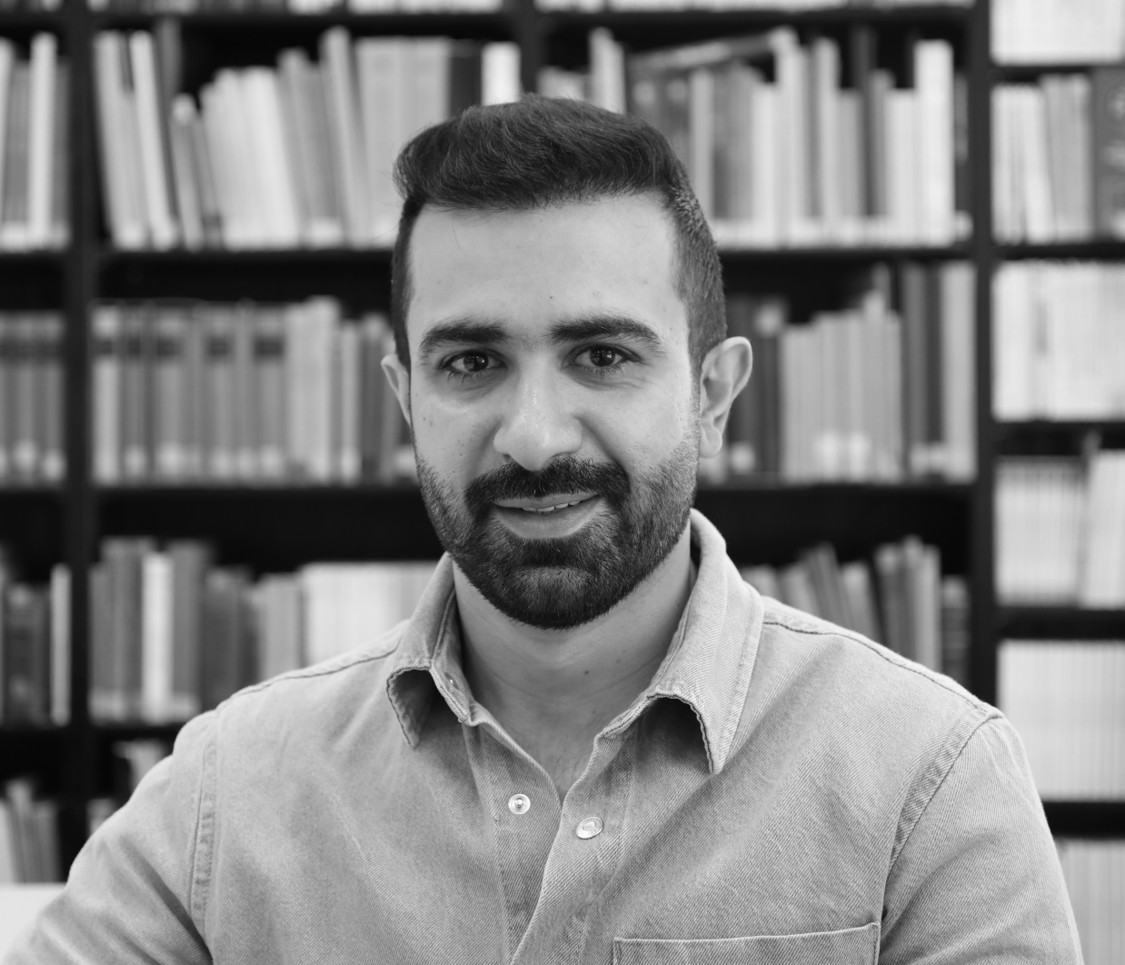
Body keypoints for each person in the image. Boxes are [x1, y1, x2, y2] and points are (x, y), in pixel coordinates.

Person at [7, 97, 1081, 963]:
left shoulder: (928, 785)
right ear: (405, 398)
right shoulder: (226, 795)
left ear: (713, 395)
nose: (531, 437)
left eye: (602, 356)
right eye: (471, 363)